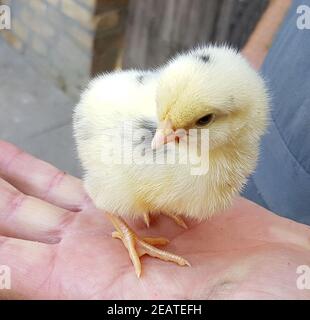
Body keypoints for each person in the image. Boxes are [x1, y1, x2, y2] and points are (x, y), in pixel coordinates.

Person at [0, 0, 309, 299]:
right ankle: (127, 230)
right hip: (116, 128)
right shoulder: (172, 143)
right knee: (128, 186)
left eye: (201, 119)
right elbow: (106, 186)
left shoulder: (223, 132)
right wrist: (126, 229)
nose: (161, 137)